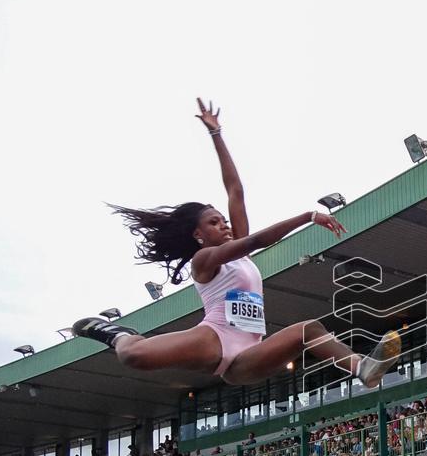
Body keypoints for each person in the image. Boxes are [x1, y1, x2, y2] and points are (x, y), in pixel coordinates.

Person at [71, 99, 401, 387]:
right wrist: (308, 217)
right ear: (198, 235)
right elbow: (255, 240)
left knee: (309, 329)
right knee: (134, 355)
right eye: (214, 222)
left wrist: (216, 134)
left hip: (249, 357)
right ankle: (114, 333)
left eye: (224, 219)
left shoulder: (235, 251)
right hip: (214, 339)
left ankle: (363, 368)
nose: (224, 224)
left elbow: (235, 191)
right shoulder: (205, 260)